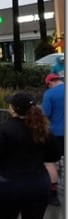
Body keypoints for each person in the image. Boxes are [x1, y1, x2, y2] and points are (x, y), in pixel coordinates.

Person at [41, 73, 64, 206]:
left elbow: (46, 114)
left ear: (49, 83)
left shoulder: (50, 94)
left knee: (50, 163)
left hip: (57, 133)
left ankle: (53, 195)